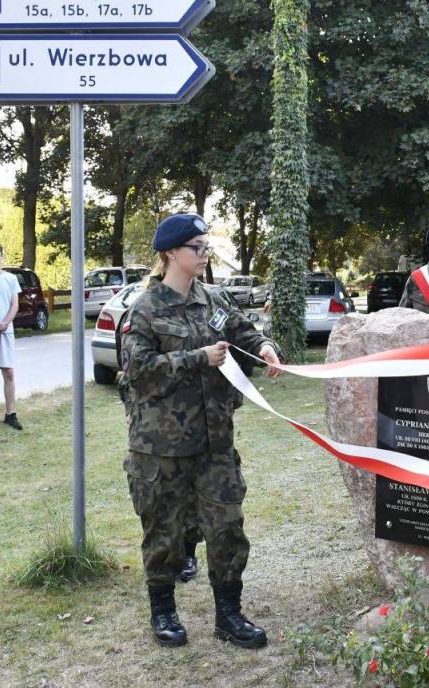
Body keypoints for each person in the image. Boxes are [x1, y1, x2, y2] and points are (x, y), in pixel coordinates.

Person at [121, 214, 282, 649]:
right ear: (171, 253)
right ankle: (164, 611)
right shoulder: (145, 308)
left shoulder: (213, 299)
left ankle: (229, 615)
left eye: (207, 246)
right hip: (162, 450)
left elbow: (243, 330)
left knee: (228, 529)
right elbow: (139, 372)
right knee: (166, 536)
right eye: (197, 247)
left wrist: (265, 346)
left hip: (216, 443)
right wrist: (197, 358)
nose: (204, 253)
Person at [0, 242, 22, 430]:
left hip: (4, 331)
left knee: (8, 372)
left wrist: (2, 325)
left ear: (2, 257)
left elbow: (14, 305)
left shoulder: (10, 279)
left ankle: (11, 413)